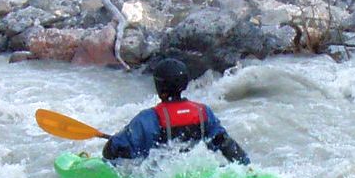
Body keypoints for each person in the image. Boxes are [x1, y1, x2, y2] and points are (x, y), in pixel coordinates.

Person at [102, 57, 249, 164]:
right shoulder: (203, 112)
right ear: (184, 84)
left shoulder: (148, 118)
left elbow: (112, 150)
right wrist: (246, 167)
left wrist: (114, 143)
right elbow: (225, 144)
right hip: (195, 173)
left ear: (158, 86)